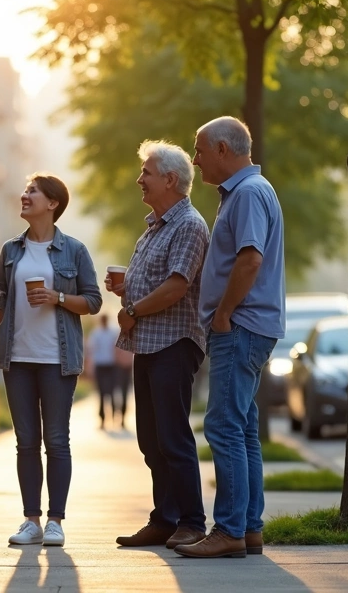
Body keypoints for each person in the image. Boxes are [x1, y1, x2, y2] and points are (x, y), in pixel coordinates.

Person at [175, 117, 285, 559]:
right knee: (241, 429)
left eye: (199, 150)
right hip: (247, 326)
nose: (195, 159)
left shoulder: (249, 194)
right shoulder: (247, 193)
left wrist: (222, 315)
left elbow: (250, 260)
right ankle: (249, 528)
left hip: (239, 327)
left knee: (222, 425)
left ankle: (229, 530)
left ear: (223, 149)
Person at [108, 140, 211, 551]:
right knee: (151, 440)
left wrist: (131, 308)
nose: (139, 180)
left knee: (173, 437)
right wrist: (126, 288)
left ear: (170, 180)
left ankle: (192, 521)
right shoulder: (155, 225)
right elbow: (154, 283)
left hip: (174, 343)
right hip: (148, 344)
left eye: (146, 173)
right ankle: (164, 519)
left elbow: (177, 285)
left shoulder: (188, 224)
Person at [0, 172, 102, 547]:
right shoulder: (11, 250)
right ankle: (31, 521)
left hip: (57, 358)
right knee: (26, 441)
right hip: (18, 357)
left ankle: (56, 520)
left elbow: (92, 301)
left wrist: (56, 297)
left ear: (53, 203)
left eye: (32, 192)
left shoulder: (74, 250)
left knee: (56, 440)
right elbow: (1, 303)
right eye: (25, 190)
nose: (24, 196)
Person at [85, 315, 121, 429]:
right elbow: (91, 351)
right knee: (101, 393)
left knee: (112, 392)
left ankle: (115, 417)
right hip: (100, 365)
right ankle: (102, 419)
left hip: (111, 365)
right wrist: (90, 368)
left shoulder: (113, 332)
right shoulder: (96, 333)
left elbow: (118, 349)